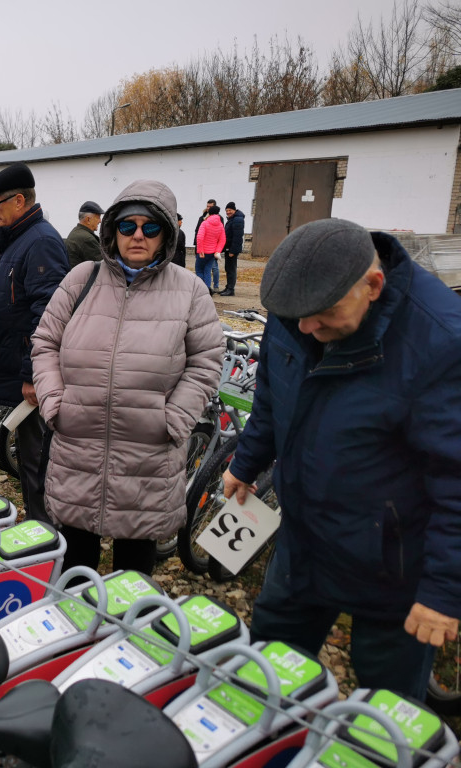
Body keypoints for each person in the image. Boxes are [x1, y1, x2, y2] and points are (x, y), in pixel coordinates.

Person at [223, 218, 461, 699]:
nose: (307, 328)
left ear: (373, 285)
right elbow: (273, 394)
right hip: (304, 539)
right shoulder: (297, 311)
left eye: (321, 315)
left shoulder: (440, 342)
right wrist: (246, 461)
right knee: (267, 671)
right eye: (296, 318)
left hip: (391, 561)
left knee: (387, 704)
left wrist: (442, 592)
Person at [33, 179, 224, 574]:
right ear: (111, 230)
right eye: (127, 226)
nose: (138, 235)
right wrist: (55, 403)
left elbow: (206, 361)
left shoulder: (189, 290)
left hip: (148, 456)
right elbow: (45, 343)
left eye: (150, 227)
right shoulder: (80, 279)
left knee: (133, 574)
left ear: (166, 234)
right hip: (78, 450)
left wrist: (172, 419)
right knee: (74, 568)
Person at [0, 162, 68, 524]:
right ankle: (38, 526)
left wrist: (34, 373)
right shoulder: (17, 239)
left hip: (33, 378)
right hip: (19, 369)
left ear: (19, 201)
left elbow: (47, 315)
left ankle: (45, 538)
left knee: (38, 460)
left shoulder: (41, 242)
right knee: (31, 459)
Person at [64, 201, 104, 270]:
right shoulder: (87, 239)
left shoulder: (76, 232)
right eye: (98, 217)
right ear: (88, 220)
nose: (100, 221)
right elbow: (103, 266)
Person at [195, 204, 225, 292]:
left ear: (209, 213)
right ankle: (207, 289)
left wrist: (200, 250)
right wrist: (217, 251)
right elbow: (222, 240)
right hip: (212, 253)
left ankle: (200, 290)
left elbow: (200, 237)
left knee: (199, 270)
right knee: (207, 271)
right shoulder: (220, 225)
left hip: (203, 252)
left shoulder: (205, 223)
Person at [219, 202, 245, 296]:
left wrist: (233, 251)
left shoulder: (237, 219)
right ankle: (228, 287)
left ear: (234, 210)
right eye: (227, 210)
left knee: (231, 269)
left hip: (231, 249)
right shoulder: (232, 219)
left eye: (230, 210)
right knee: (228, 268)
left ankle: (230, 289)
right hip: (228, 248)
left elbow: (237, 237)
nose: (228, 212)